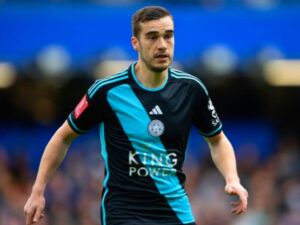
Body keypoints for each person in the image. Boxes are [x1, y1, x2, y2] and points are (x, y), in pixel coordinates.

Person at [24, 6, 248, 225]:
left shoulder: (191, 89)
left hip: (175, 209)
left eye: (168, 36)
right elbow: (63, 137)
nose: (162, 45)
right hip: (123, 211)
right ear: (135, 43)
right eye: (152, 37)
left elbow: (217, 140)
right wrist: (38, 191)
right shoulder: (107, 90)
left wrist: (232, 179)